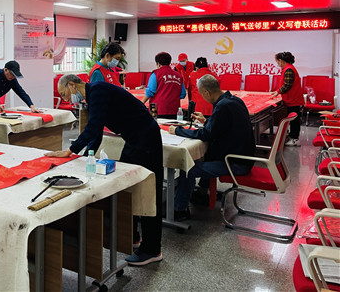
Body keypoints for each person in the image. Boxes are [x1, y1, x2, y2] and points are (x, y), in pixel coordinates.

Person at [45, 75, 163, 266]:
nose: (65, 98)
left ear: (72, 85)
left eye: (63, 93)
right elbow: (97, 133)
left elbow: (93, 127)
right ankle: (132, 236)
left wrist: (70, 150)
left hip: (145, 138)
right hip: (134, 138)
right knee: (128, 187)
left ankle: (152, 249)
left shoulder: (98, 90)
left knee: (148, 190)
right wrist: (86, 156)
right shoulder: (93, 95)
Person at [168, 74, 255, 220]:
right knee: (205, 156)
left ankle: (179, 210)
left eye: (202, 95)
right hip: (243, 158)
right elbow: (221, 125)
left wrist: (178, 131)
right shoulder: (234, 101)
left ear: (206, 92)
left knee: (188, 168)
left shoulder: (222, 106)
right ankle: (201, 193)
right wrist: (207, 120)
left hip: (234, 163)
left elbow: (206, 134)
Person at [271, 51, 303, 146]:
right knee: (292, 119)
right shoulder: (287, 68)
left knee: (294, 120)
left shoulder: (289, 69)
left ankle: (294, 139)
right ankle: (292, 136)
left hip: (293, 99)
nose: (277, 63)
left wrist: (278, 92)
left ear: (281, 60)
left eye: (277, 61)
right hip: (291, 99)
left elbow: (287, 85)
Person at [142, 52, 186, 118]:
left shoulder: (156, 74)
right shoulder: (178, 75)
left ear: (158, 64)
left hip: (157, 110)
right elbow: (183, 94)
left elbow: (150, 91)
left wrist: (141, 103)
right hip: (174, 110)